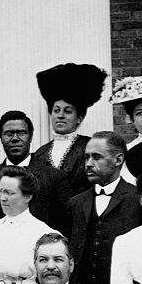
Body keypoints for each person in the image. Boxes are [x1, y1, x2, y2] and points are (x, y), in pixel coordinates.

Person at [0, 110, 73, 235]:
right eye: (9, 134)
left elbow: (67, 225)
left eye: (21, 133)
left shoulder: (55, 178)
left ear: (30, 136)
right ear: (1, 138)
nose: (15, 139)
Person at [67, 132, 142, 284]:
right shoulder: (76, 203)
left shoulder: (138, 200)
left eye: (96, 157)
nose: (88, 164)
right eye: (86, 157)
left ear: (118, 160)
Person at [0, 166, 55, 284]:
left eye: (10, 193)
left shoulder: (43, 233)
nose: (3, 198)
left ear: (27, 196)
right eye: (1, 192)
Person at [34, 62, 108, 195]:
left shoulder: (90, 147)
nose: (60, 115)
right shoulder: (40, 153)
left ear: (79, 118)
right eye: (56, 110)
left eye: (67, 111)